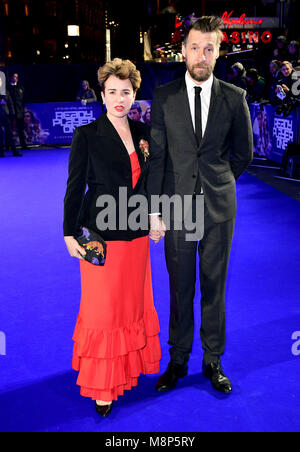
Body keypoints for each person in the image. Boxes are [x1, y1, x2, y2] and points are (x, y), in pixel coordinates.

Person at [148, 16, 253, 395]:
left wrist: (219, 184)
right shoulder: (164, 97)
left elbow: (243, 154)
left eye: (209, 48)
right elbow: (157, 158)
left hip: (218, 208)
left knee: (214, 286)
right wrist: (156, 210)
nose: (201, 55)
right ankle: (178, 360)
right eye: (195, 47)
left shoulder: (234, 97)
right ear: (185, 51)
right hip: (177, 207)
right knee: (180, 288)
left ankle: (213, 360)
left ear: (218, 51)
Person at [63, 58, 161, 417]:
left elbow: (148, 183)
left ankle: (127, 369)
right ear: (101, 95)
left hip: (135, 236)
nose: (119, 99)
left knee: (130, 306)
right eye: (112, 92)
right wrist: (68, 232)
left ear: (135, 93)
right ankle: (103, 385)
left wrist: (154, 217)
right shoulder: (86, 135)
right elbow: (74, 189)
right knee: (103, 310)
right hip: (99, 238)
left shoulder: (142, 133)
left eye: (126, 92)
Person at [7, 72, 26, 151]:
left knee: (21, 129)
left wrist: (22, 110)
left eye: (17, 77)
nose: (16, 78)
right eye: (14, 76)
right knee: (9, 130)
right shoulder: (7, 88)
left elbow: (22, 99)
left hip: (19, 111)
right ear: (11, 77)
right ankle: (8, 146)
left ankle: (23, 145)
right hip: (10, 112)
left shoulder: (20, 87)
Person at [0, 91, 22, 157]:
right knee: (0, 135)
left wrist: (12, 113)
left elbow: (10, 103)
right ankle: (1, 152)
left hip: (6, 115)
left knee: (10, 133)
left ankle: (14, 151)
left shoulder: (5, 91)